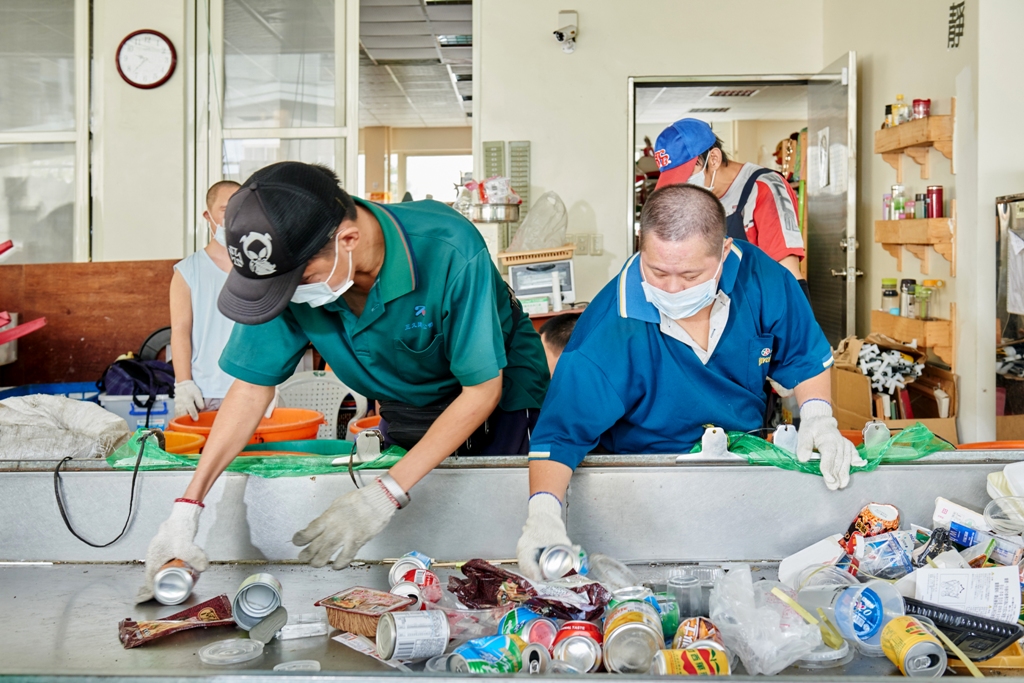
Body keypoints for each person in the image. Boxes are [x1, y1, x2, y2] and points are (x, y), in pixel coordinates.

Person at [137, 162, 549, 601]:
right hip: (403, 401)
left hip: (501, 405)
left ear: (348, 240)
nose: (291, 297)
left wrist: (384, 494)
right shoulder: (289, 272)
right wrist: (187, 509)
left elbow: (482, 389)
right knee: (423, 538)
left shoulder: (448, 249)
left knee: (496, 552)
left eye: (302, 281)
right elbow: (251, 388)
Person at [515, 184, 859, 581]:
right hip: (643, 480)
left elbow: (802, 353)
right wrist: (543, 512)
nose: (672, 288)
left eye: (690, 274)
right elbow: (560, 436)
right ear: (641, 245)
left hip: (736, 469)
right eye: (657, 271)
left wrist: (818, 417)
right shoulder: (607, 330)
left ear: (724, 254)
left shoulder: (763, 280)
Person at [652, 118, 810, 300]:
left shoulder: (764, 189)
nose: (681, 188)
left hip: (761, 310)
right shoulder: (698, 200)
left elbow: (788, 274)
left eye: (685, 177)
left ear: (714, 159)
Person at [170, 180, 240, 419]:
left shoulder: (258, 268)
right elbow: (180, 332)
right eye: (225, 209)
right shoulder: (187, 271)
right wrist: (184, 384)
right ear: (207, 215)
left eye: (241, 208)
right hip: (205, 392)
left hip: (252, 387)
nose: (234, 217)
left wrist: (272, 382)